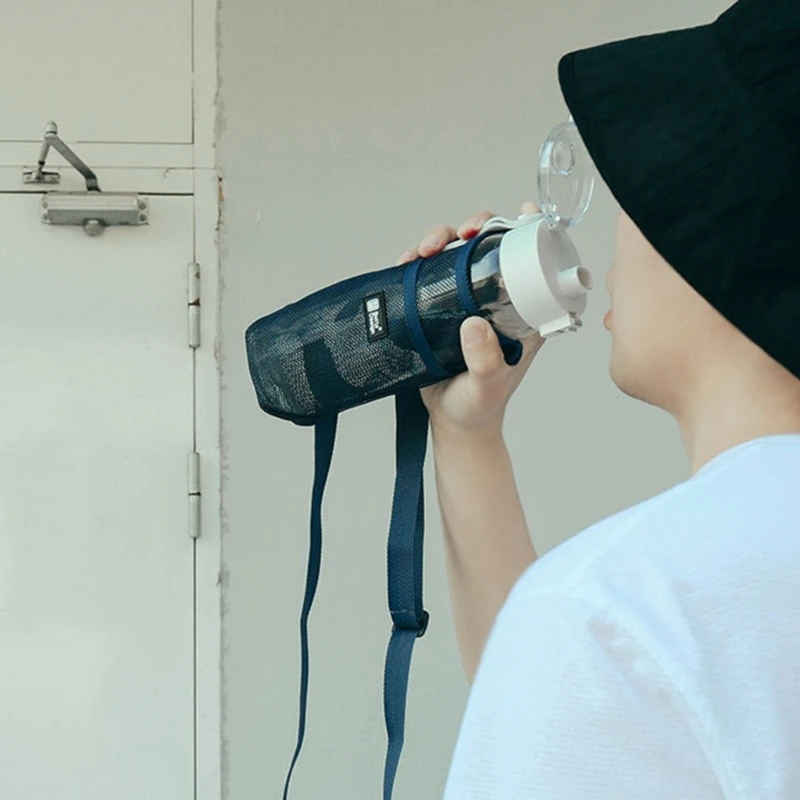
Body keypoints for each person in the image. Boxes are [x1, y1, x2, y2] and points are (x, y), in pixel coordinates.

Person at [397, 0, 800, 797]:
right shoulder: (621, 619)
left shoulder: (617, 613)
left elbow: (596, 672)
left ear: (718, 233)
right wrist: (469, 438)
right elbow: (602, 728)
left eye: (642, 198)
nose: (614, 240)